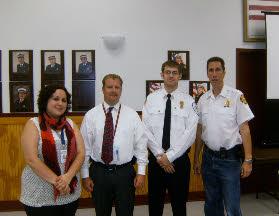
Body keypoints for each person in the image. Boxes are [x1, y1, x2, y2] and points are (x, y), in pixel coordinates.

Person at [193, 56, 254, 216]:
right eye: (211, 70)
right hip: (208, 159)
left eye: (217, 69)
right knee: (212, 204)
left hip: (229, 160)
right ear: (207, 73)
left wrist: (248, 160)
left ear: (224, 72)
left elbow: (245, 129)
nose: (214, 74)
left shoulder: (236, 96)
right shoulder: (203, 100)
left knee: (232, 207)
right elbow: (200, 131)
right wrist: (196, 158)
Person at [80, 74, 148, 216]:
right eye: (109, 87)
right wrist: (85, 175)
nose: (113, 90)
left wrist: (141, 172)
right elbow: (84, 148)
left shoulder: (132, 115)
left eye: (117, 87)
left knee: (125, 212)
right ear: (103, 89)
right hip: (99, 172)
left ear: (121, 90)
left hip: (124, 173)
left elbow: (140, 145)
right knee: (101, 212)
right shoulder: (91, 116)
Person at [143, 60, 198, 216]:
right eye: (168, 72)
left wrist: (170, 156)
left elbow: (190, 133)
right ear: (162, 74)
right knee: (155, 205)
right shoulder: (151, 99)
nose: (171, 75)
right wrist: (161, 155)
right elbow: (145, 130)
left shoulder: (189, 101)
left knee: (179, 205)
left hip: (179, 162)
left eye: (175, 72)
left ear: (180, 75)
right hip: (156, 161)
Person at [20, 84, 85, 216]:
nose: (60, 103)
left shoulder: (71, 124)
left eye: (64, 100)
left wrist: (67, 178)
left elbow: (81, 153)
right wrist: (59, 182)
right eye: (55, 99)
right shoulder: (33, 124)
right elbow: (31, 159)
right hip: (40, 194)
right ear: (45, 101)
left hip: (68, 192)